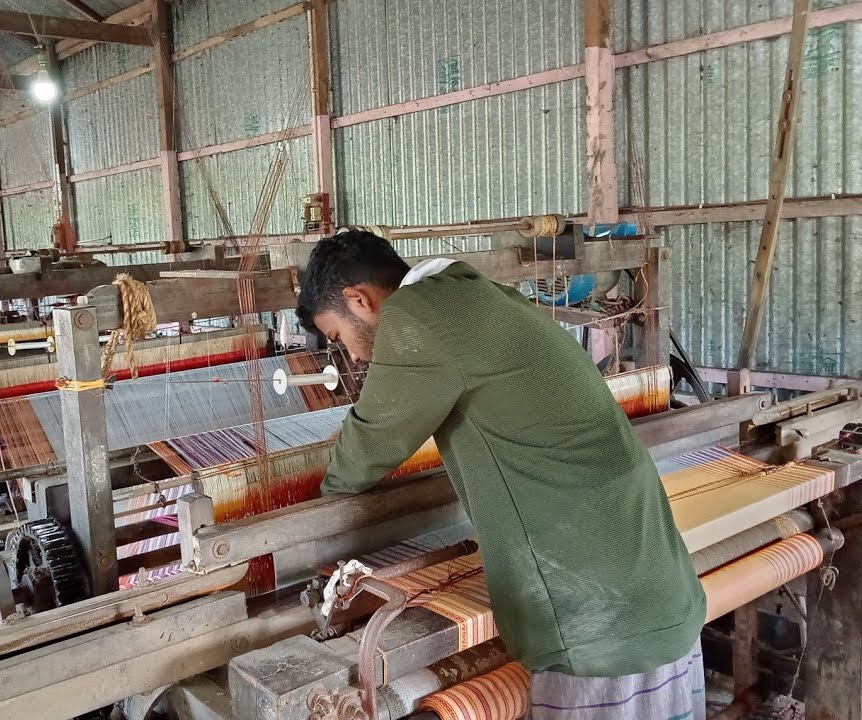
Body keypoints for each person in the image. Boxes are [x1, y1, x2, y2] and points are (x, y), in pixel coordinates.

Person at [296, 230, 707, 720]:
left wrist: (311, 532)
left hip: (594, 612)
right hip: (650, 580)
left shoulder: (417, 316)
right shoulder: (480, 295)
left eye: (340, 338)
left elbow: (369, 446)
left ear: (358, 300)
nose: (356, 357)